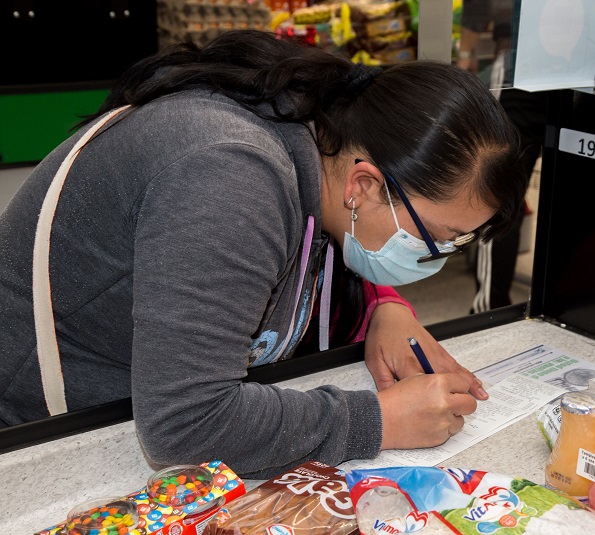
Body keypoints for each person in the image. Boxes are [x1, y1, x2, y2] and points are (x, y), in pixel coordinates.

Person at [0, 30, 527, 478]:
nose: (436, 257)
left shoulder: (319, 140)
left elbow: (324, 243)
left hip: (115, 408)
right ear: (365, 185)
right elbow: (187, 424)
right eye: (436, 237)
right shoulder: (231, 177)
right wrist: (379, 420)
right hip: (41, 435)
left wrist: (382, 306)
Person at [458, 0, 548, 313]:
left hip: (519, 63)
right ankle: (563, 302)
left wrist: (466, 52)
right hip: (578, 63)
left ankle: (489, 307)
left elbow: (479, 5)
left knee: (499, 193)